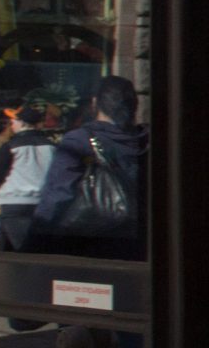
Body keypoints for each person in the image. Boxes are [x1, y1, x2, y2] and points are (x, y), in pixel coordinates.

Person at [35, 75, 145, 260]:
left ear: (95, 103)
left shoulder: (80, 140)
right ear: (134, 105)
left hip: (90, 243)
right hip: (140, 244)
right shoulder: (147, 141)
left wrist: (36, 238)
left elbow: (59, 193)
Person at [0, 98, 60, 251]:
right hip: (42, 203)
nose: (12, 124)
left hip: (14, 202)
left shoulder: (10, 146)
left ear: (22, 124)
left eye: (14, 121)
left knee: (19, 250)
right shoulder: (51, 146)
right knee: (33, 247)